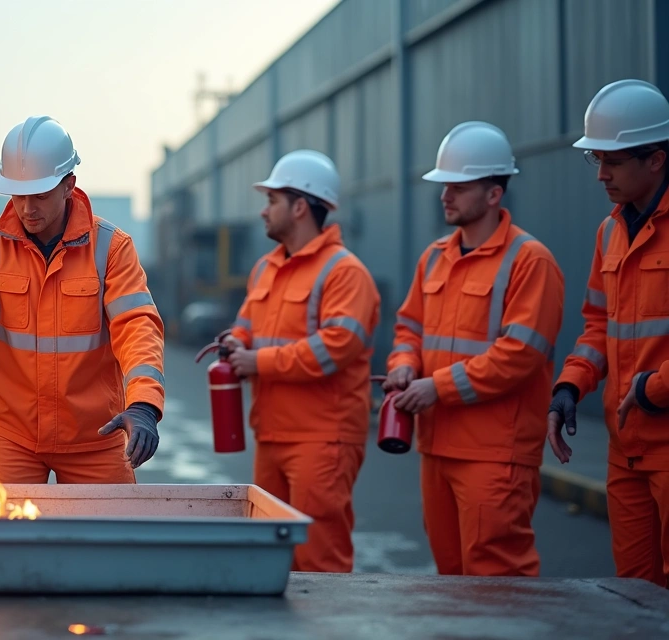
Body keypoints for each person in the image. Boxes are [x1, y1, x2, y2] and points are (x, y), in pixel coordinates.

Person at [0, 115, 165, 483]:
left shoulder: (110, 248)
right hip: (8, 435)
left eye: (40, 195)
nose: (27, 209)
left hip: (96, 436)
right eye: (18, 195)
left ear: (69, 184)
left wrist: (144, 404)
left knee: (114, 521)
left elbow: (138, 328)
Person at [386, 121, 564, 576]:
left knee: (496, 581)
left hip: (494, 454)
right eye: (444, 185)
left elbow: (519, 355)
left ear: (493, 194)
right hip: (437, 447)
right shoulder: (434, 257)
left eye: (458, 187)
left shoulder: (530, 261)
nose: (445, 195)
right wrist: (404, 364)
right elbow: (408, 327)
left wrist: (436, 388)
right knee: (451, 580)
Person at [222, 149, 379, 573]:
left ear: (300, 207)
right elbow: (245, 326)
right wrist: (235, 342)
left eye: (272, 200)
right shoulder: (266, 268)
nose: (263, 210)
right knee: (268, 556)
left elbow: (337, 347)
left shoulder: (345, 273)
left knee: (318, 559)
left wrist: (258, 362)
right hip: (272, 434)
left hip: (323, 438)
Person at [549, 79, 669, 587]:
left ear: (656, 159)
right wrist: (570, 386)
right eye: (595, 160)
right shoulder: (609, 232)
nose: (601, 174)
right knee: (634, 593)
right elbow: (599, 324)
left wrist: (651, 388)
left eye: (613, 162)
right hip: (627, 452)